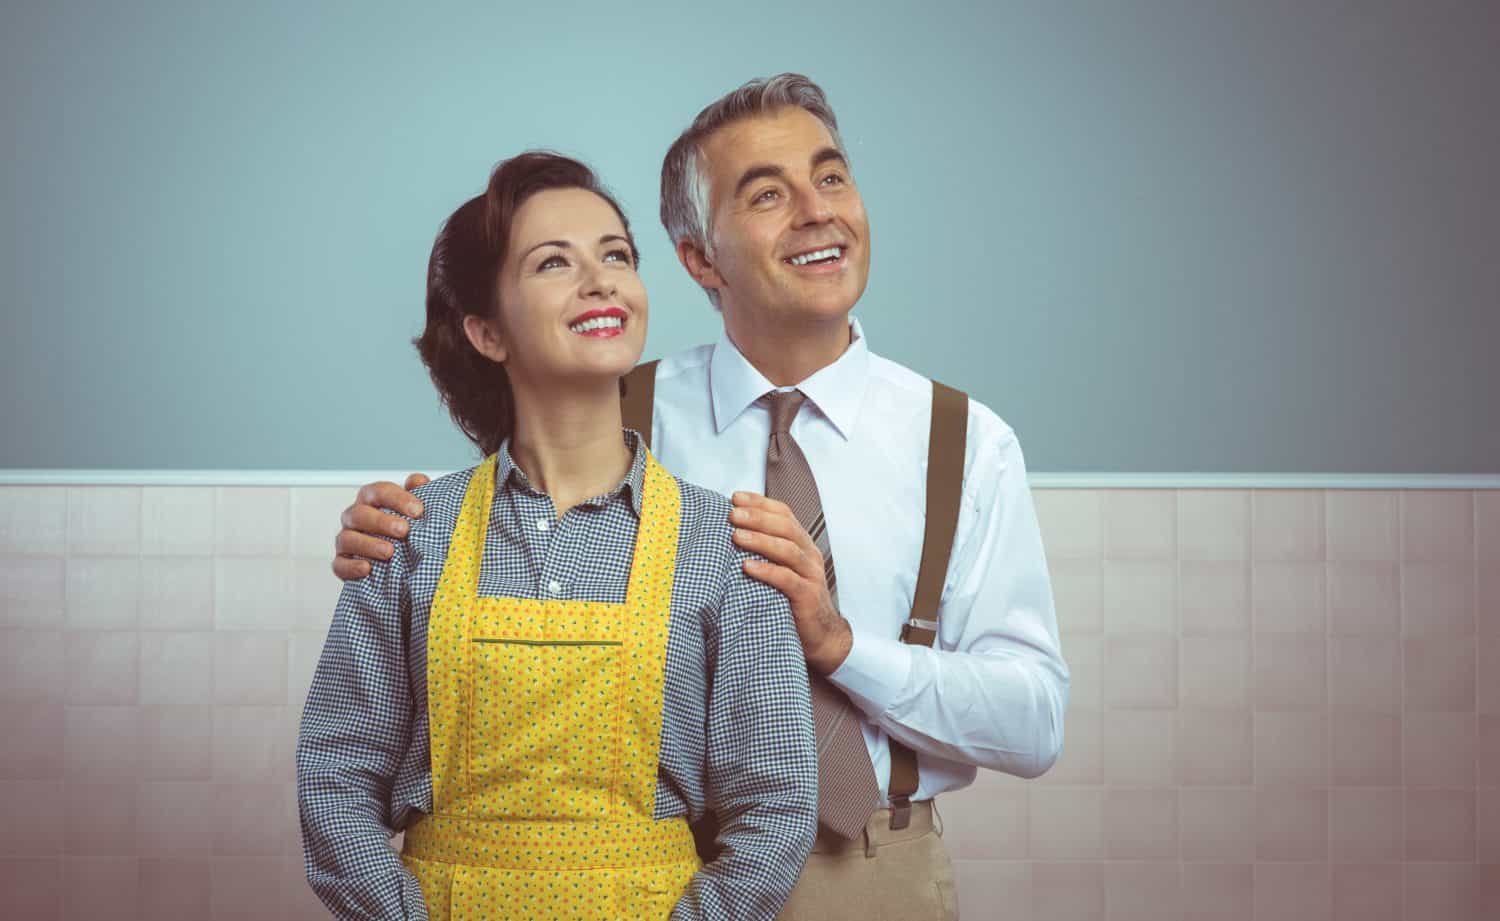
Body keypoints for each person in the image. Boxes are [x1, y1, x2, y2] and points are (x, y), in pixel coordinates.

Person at [331, 75, 1068, 920]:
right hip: (664, 874)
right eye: (767, 193)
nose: (817, 210)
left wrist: (838, 645)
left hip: (877, 873)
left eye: (832, 177)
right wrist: (387, 530)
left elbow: (1034, 721)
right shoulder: (611, 405)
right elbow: (484, 558)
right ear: (698, 258)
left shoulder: (965, 442)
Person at [296, 151, 817, 921]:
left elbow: (775, 804)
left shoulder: (724, 545)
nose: (601, 279)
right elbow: (335, 774)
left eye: (617, 255)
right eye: (553, 263)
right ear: (486, 331)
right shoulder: (408, 535)